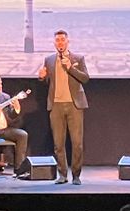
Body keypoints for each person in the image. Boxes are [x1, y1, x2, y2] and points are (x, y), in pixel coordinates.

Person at [38, 29, 90, 185]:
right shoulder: (49, 59)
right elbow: (47, 80)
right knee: (58, 143)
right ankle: (62, 174)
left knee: (77, 143)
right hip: (56, 105)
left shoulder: (78, 58)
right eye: (57, 40)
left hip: (75, 105)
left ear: (68, 41)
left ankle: (76, 175)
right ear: (54, 43)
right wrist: (41, 77)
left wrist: (70, 68)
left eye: (62, 40)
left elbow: (85, 78)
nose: (60, 43)